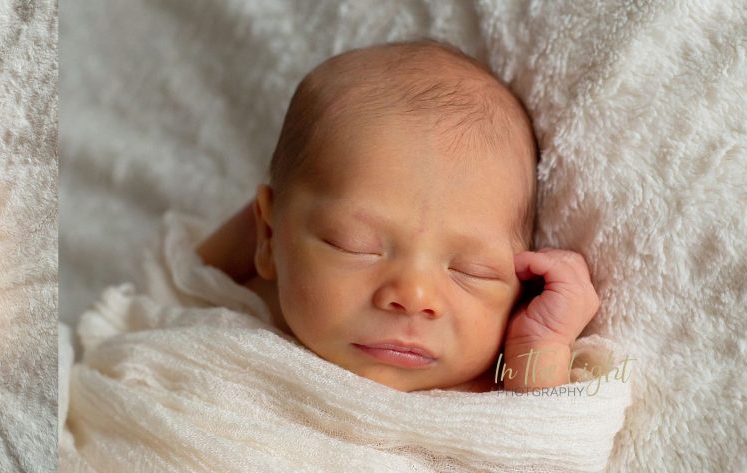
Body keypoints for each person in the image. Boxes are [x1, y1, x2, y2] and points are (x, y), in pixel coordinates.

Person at [196, 40, 600, 393]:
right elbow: (179, 280)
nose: (414, 296)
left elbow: (548, 444)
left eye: (471, 271)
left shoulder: (491, 387)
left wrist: (539, 348)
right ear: (269, 234)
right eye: (354, 246)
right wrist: (262, 237)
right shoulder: (240, 320)